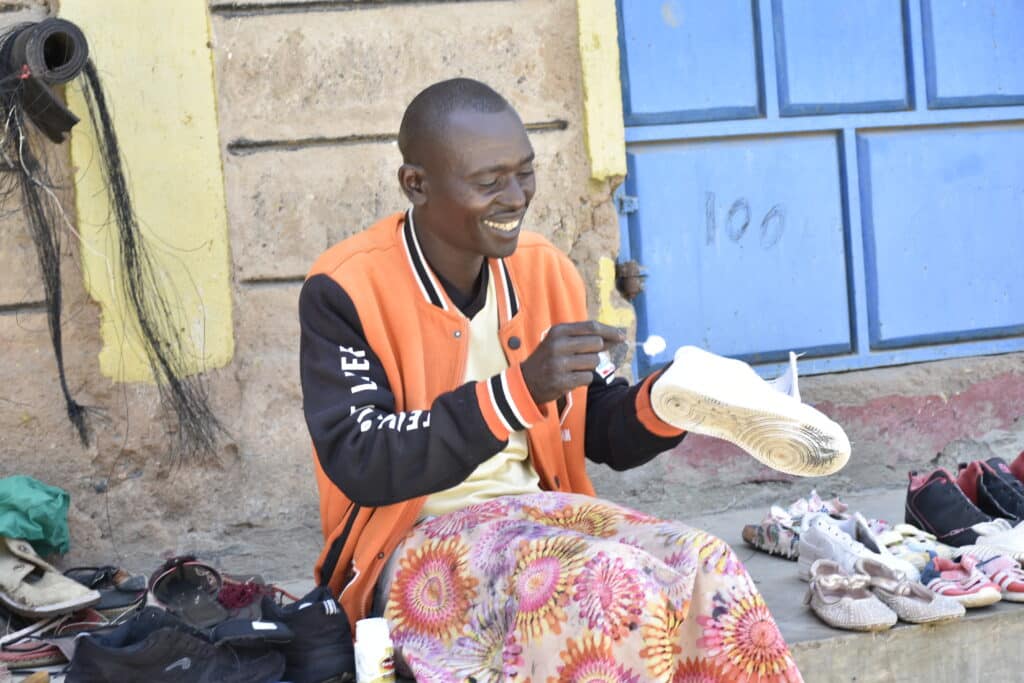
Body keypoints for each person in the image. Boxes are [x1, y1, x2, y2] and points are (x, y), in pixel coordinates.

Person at [300, 78, 806, 682]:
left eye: (525, 173)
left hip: (541, 519)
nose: (515, 198)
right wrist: (516, 392)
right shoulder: (345, 289)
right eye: (489, 183)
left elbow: (598, 429)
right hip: (412, 548)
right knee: (606, 583)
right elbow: (364, 459)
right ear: (417, 184)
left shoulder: (544, 270)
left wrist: (671, 401)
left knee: (706, 564)